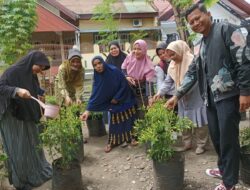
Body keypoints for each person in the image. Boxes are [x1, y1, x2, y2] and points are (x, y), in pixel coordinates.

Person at [166, 3, 250, 190]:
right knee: (218, 137)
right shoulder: (200, 44)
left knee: (228, 139)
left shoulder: (226, 29)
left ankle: (229, 183)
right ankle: (225, 169)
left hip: (229, 96)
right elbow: (193, 71)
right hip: (210, 99)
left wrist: (245, 92)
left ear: (208, 14)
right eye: (191, 22)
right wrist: (177, 95)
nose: (196, 23)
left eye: (198, 18)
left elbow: (244, 60)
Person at [0, 51, 52, 190]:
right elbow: (1, 87)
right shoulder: (12, 71)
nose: (40, 71)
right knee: (19, 147)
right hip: (12, 116)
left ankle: (35, 171)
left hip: (26, 113)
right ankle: (22, 179)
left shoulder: (31, 74)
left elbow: (33, 88)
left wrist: (41, 93)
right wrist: (17, 90)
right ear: (31, 61)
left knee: (32, 144)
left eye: (42, 69)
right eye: (40, 67)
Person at [154, 40, 209, 155]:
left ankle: (201, 144)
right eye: (169, 56)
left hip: (195, 96)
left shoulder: (192, 61)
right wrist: (160, 93)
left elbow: (194, 81)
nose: (171, 58)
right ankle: (187, 143)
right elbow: (168, 82)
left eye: (173, 54)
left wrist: (179, 94)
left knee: (200, 122)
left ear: (180, 50)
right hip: (180, 98)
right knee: (184, 122)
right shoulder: (173, 65)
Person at [80, 56, 138, 153]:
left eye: (99, 63)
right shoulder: (97, 77)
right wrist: (87, 110)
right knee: (114, 122)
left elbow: (124, 84)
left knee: (128, 119)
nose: (98, 66)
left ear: (103, 62)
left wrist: (117, 97)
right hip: (112, 103)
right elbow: (95, 93)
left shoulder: (114, 70)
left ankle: (131, 138)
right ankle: (112, 142)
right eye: (95, 65)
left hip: (125, 98)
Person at [121, 39, 155, 118]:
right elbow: (123, 68)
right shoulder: (130, 57)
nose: (136, 51)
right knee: (130, 111)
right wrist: (127, 76)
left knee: (142, 111)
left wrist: (150, 97)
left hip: (141, 90)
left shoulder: (148, 63)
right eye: (135, 49)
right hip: (129, 87)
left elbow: (149, 82)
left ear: (144, 49)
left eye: (139, 49)